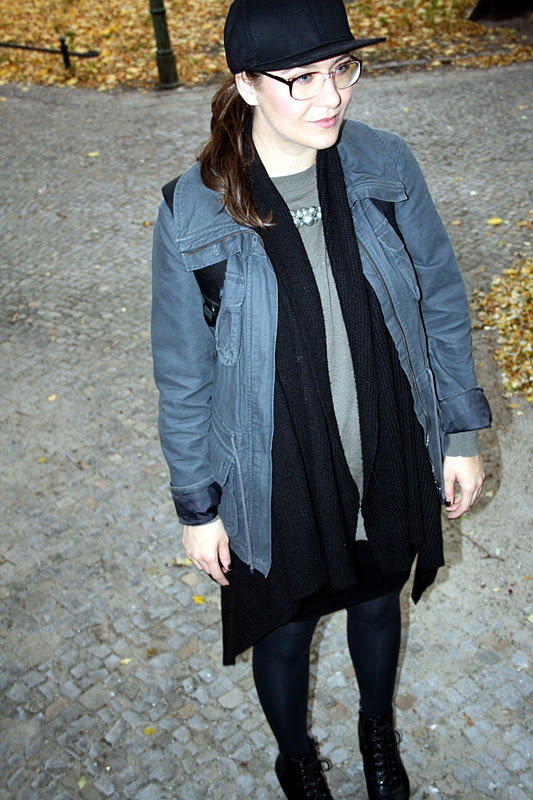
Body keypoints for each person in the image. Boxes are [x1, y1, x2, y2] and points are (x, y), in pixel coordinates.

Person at [151, 0, 491, 797]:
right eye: (300, 79)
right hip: (275, 470)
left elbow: (441, 299)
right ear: (245, 84)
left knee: (377, 603)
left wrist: (459, 434)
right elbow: (182, 374)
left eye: (340, 69)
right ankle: (295, 759)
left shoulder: (384, 164)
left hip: (384, 440)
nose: (329, 96)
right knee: (284, 627)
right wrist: (198, 507)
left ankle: (377, 731)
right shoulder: (191, 208)